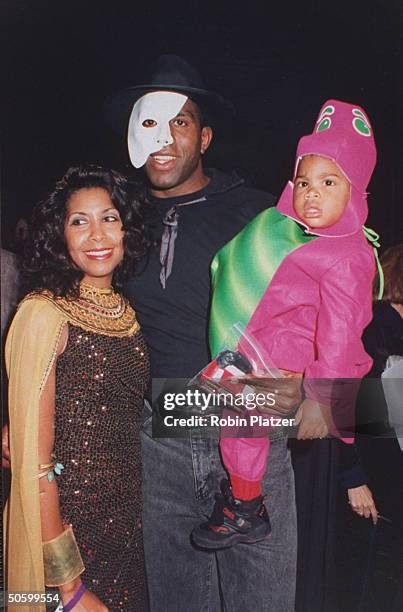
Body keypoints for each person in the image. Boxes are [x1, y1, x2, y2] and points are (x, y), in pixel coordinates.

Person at [106, 55, 301, 611]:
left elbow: (321, 301)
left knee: (260, 601)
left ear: (206, 136)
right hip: (159, 438)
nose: (164, 138)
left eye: (181, 122)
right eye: (150, 123)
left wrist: (308, 384)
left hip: (248, 430)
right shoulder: (121, 222)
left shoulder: (258, 215)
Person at [192, 100, 380, 550]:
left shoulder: (349, 255)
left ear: (354, 192)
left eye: (329, 182)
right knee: (236, 425)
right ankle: (245, 503)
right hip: (259, 348)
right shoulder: (289, 230)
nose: (311, 193)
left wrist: (320, 401)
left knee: (242, 424)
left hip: (283, 363)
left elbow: (340, 335)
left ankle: (246, 508)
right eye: (303, 181)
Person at [4, 164, 149, 611]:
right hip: (68, 533)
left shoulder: (126, 311)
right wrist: (69, 586)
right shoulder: (44, 313)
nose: (97, 235)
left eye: (109, 218)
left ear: (127, 229)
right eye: (79, 221)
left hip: (125, 524)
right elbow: (36, 464)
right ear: (60, 235)